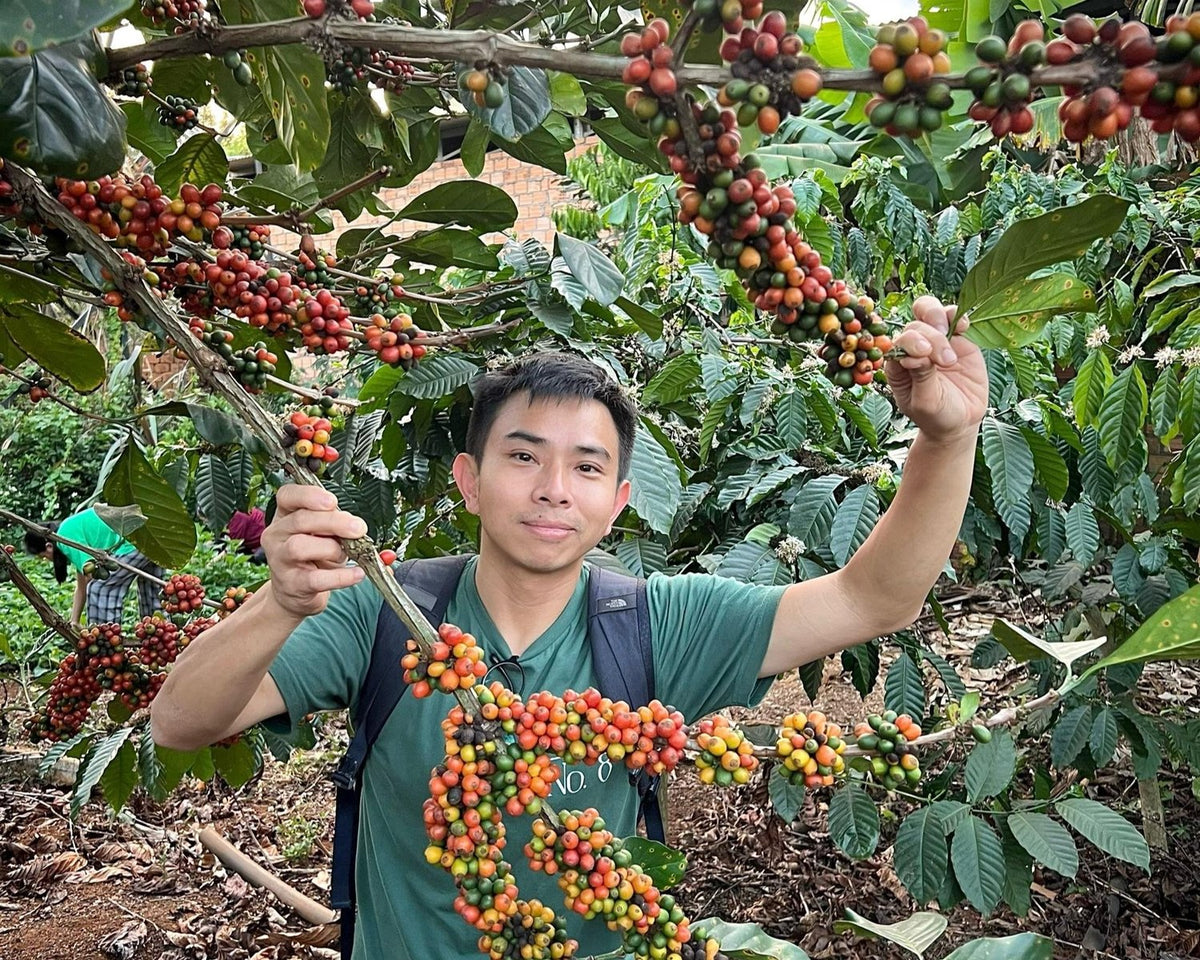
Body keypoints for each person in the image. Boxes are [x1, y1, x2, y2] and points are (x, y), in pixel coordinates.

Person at [152, 297, 988, 960]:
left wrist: (949, 441)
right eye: (523, 456)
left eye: (587, 466)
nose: (555, 487)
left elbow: (874, 600)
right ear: (469, 481)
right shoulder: (380, 612)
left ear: (619, 500)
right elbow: (182, 722)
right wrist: (281, 602)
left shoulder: (657, 622)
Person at [23, 507, 165, 625]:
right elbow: (82, 586)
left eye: (43, 556)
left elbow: (91, 576)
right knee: (151, 592)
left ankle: (105, 643)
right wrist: (75, 621)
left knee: (100, 589)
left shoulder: (64, 537)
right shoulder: (70, 529)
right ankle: (161, 636)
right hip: (153, 536)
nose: (46, 560)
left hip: (133, 542)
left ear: (48, 547)